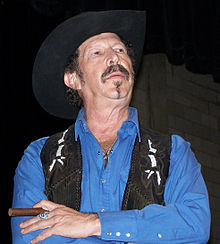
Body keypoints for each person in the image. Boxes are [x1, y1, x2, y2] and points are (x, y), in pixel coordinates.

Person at [11, 10, 211, 244]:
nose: (114, 58)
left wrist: (93, 223)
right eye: (97, 52)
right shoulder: (40, 155)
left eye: (120, 50)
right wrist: (144, 231)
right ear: (73, 78)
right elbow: (32, 237)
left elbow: (195, 225)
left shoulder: (174, 151)